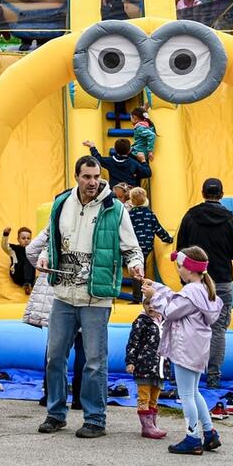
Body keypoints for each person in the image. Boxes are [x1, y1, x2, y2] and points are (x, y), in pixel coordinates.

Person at [37, 156, 143, 439]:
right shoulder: (61, 203)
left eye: (96, 177)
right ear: (76, 177)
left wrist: (136, 264)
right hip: (63, 292)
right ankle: (56, 414)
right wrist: (47, 256)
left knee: (95, 359)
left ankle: (95, 418)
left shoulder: (115, 208)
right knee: (54, 356)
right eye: (87, 177)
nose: (92, 182)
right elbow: (52, 241)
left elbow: (132, 248)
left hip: (96, 295)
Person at [144, 248, 224, 455]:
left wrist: (153, 297)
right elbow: (175, 298)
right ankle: (209, 432)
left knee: (186, 394)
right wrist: (156, 287)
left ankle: (192, 437)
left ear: (189, 269)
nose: (178, 270)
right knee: (194, 391)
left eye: (179, 267)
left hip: (185, 348)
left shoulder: (190, 292)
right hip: (197, 348)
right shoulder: (203, 290)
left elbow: (170, 311)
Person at [175, 178, 233, 387]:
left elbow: (181, 249)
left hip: (194, 280)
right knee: (217, 330)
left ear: (203, 193)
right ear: (221, 194)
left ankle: (186, 373)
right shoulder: (231, 219)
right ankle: (213, 374)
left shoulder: (190, 216)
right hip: (221, 281)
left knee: (188, 327)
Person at [25, 229, 86, 409]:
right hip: (81, 291)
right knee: (83, 347)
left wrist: (42, 267)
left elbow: (30, 250)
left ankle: (51, 394)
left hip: (54, 295)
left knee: (54, 348)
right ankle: (79, 397)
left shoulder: (55, 223)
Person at [124, 304, 167, 439]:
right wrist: (130, 361)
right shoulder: (141, 321)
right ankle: (147, 426)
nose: (151, 307)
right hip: (144, 366)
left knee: (154, 397)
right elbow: (133, 342)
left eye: (155, 304)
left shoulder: (165, 321)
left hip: (160, 367)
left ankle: (152, 424)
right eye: (147, 303)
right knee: (144, 397)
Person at [126, 187, 173, 300]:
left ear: (131, 201)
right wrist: (169, 239)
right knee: (142, 267)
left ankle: (137, 295)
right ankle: (144, 292)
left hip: (134, 245)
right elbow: (158, 229)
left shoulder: (129, 215)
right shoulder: (149, 214)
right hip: (146, 245)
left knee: (135, 266)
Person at [83, 137, 151, 189]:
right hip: (129, 191)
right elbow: (147, 173)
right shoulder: (133, 163)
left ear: (115, 149)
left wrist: (92, 147)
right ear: (129, 150)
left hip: (115, 190)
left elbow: (97, 159)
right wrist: (143, 161)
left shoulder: (110, 161)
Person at [1, 226, 36, 294]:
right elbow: (4, 246)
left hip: (29, 277)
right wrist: (5, 234)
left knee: (31, 257)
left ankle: (28, 284)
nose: (26, 240)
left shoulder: (32, 250)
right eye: (23, 238)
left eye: (28, 238)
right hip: (17, 274)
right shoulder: (14, 249)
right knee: (28, 258)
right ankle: (27, 284)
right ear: (18, 239)